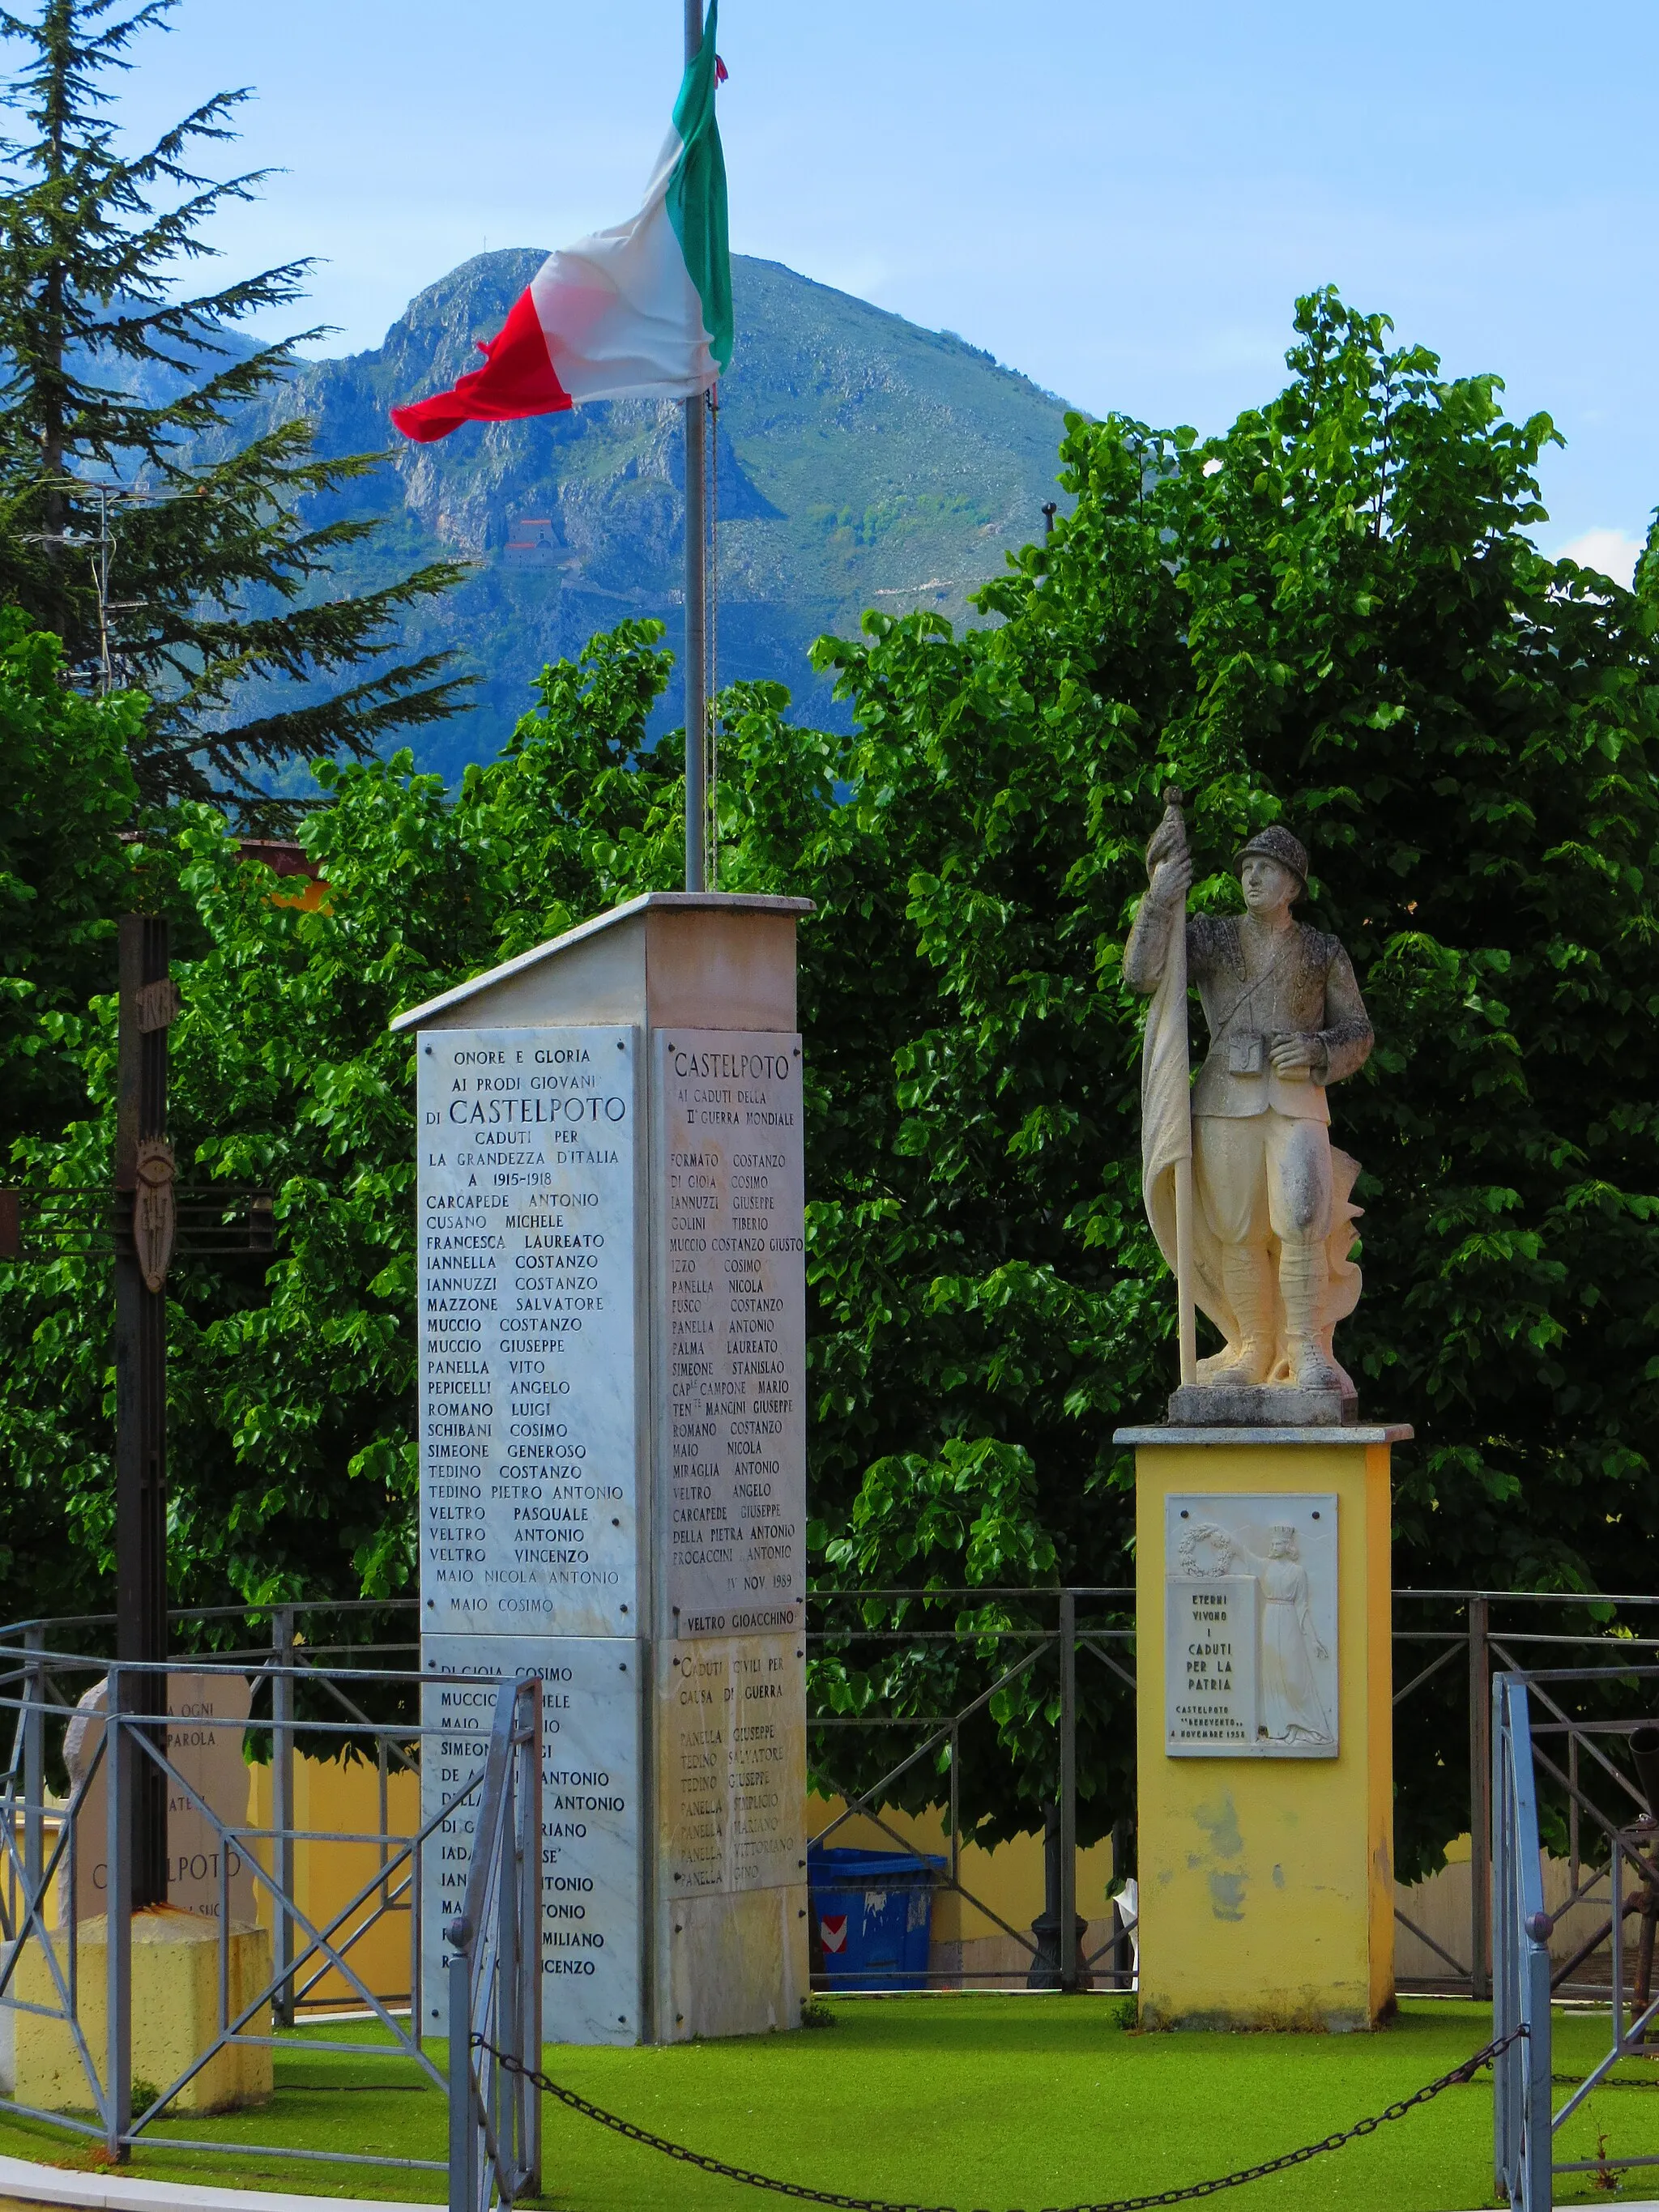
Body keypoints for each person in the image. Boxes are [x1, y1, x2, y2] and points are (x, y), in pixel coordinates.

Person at [1124, 820, 1373, 1396]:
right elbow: (1142, 975)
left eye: (1265, 867)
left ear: (1293, 884)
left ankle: (1306, 1346)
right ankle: (1254, 1346)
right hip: (1224, 1100)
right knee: (1237, 1229)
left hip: (1296, 1099)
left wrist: (1318, 1051)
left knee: (1304, 1215)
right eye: (1245, 867)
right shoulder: (1211, 937)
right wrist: (1160, 899)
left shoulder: (1321, 949)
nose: (1251, 876)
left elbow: (1359, 1032)